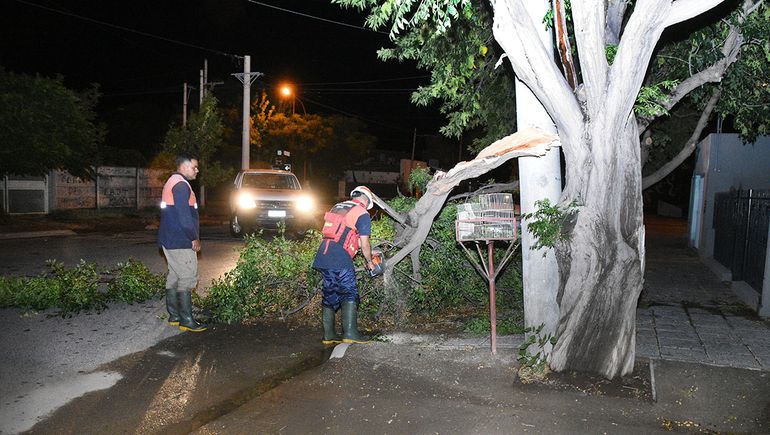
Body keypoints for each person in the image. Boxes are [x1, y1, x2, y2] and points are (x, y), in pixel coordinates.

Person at [313, 186, 378, 345]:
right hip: (339, 257)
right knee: (349, 291)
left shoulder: (338, 207)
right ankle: (350, 333)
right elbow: (364, 243)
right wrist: (370, 262)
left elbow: (339, 232)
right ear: (366, 199)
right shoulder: (362, 213)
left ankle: (329, 335)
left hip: (324, 255)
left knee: (329, 293)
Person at [158, 153, 207, 332]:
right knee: (187, 277)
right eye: (194, 167)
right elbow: (184, 216)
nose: (197, 170)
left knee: (174, 275)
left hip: (169, 238)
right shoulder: (181, 186)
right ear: (184, 167)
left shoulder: (172, 181)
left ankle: (174, 315)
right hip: (180, 240)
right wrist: (193, 237)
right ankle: (186, 320)